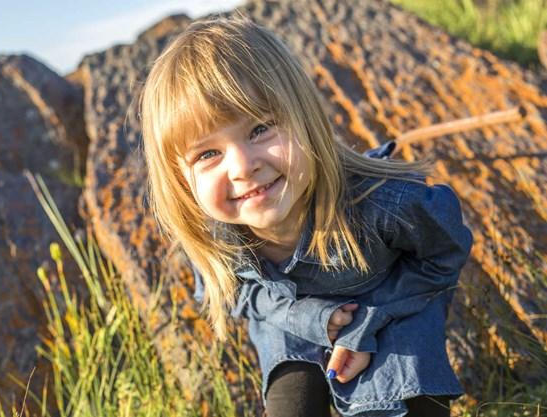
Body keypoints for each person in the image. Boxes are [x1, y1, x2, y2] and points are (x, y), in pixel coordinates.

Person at [138, 15, 473, 417]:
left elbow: (443, 254)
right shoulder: (218, 237)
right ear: (180, 178)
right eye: (208, 154)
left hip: (390, 307)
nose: (243, 167)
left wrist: (366, 323)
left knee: (400, 399)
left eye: (261, 128)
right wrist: (305, 317)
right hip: (292, 324)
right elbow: (236, 292)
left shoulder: (384, 205)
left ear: (305, 117)